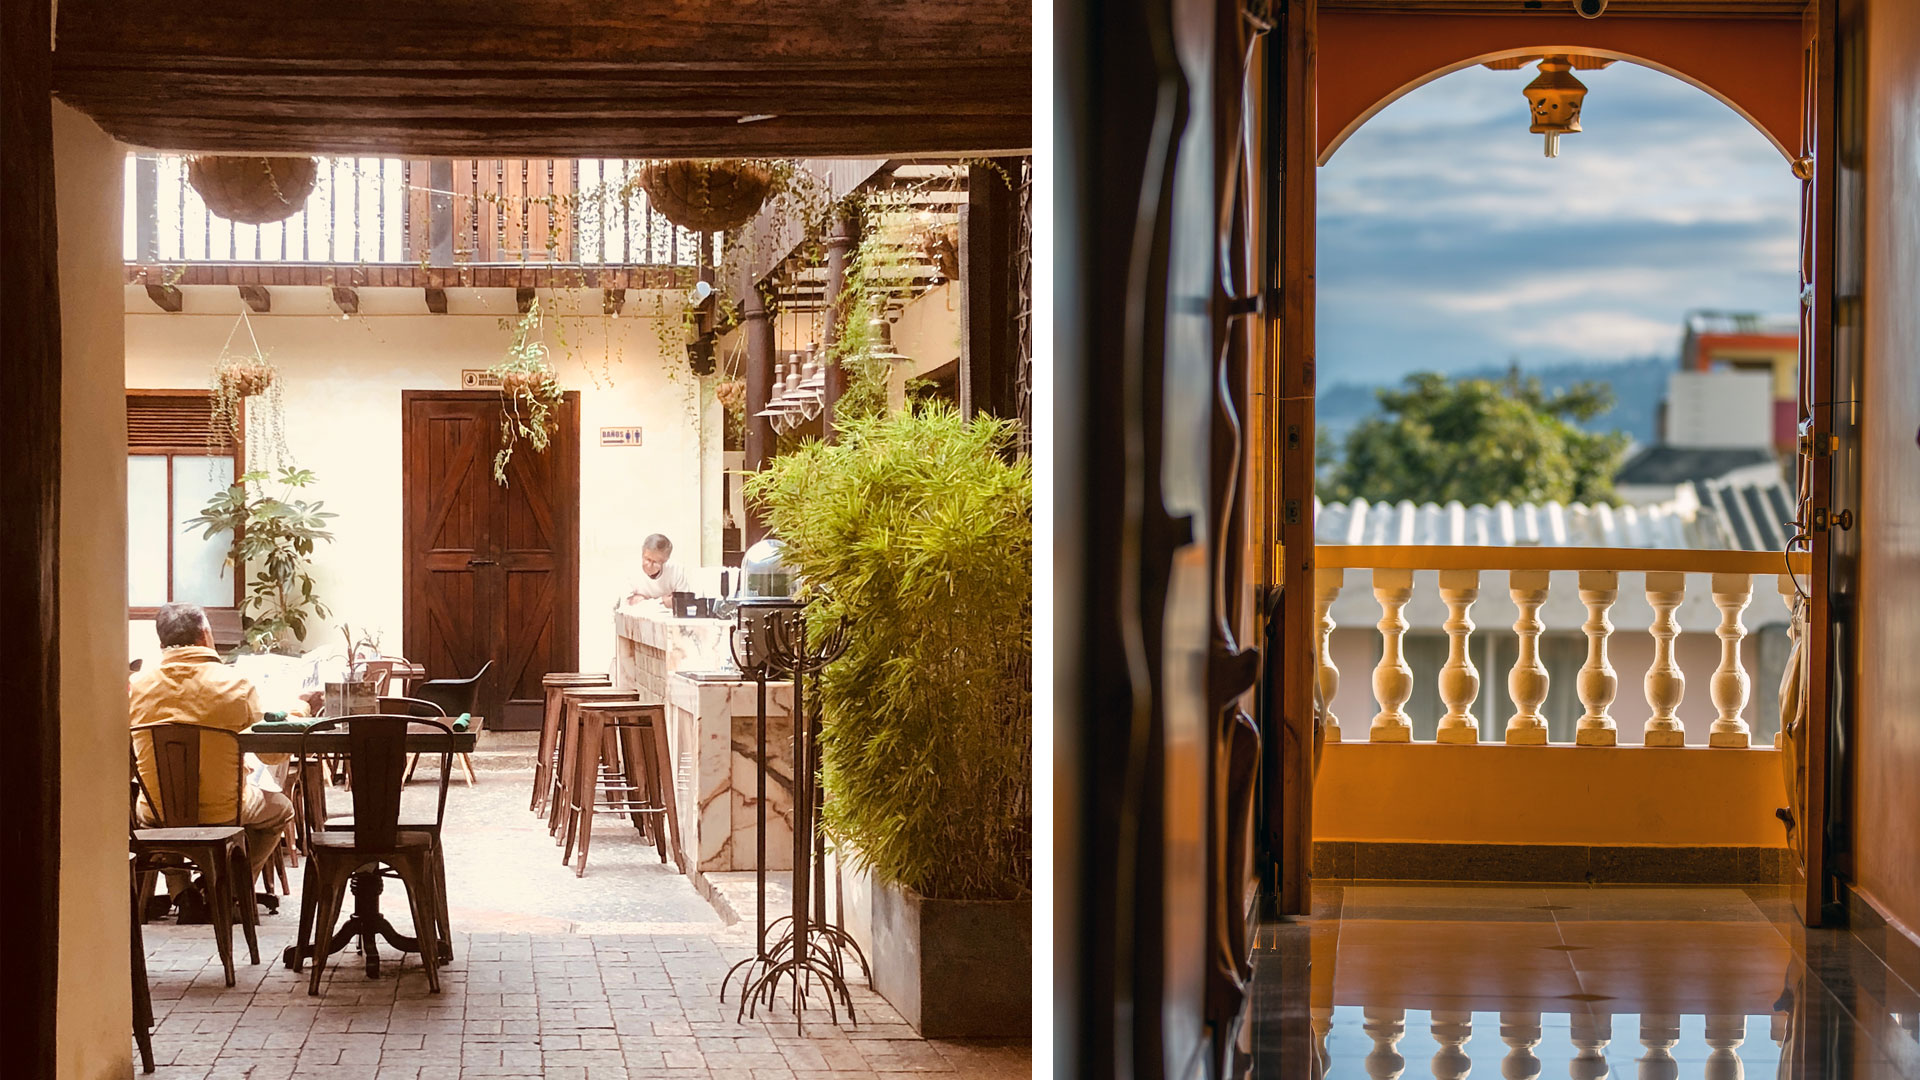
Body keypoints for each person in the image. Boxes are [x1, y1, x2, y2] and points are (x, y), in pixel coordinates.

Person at [131, 602, 294, 920]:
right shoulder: (236, 686)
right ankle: (229, 892)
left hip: (157, 814)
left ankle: (183, 893)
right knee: (280, 811)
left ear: (161, 643)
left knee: (163, 811)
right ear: (206, 635)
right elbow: (271, 754)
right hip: (223, 812)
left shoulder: (137, 688)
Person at [618, 533, 694, 609]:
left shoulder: (676, 570)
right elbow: (627, 604)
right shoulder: (630, 568)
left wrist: (642, 600)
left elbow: (684, 603)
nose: (649, 565)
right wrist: (662, 602)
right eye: (647, 559)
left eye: (655, 562)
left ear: (665, 560)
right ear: (642, 553)